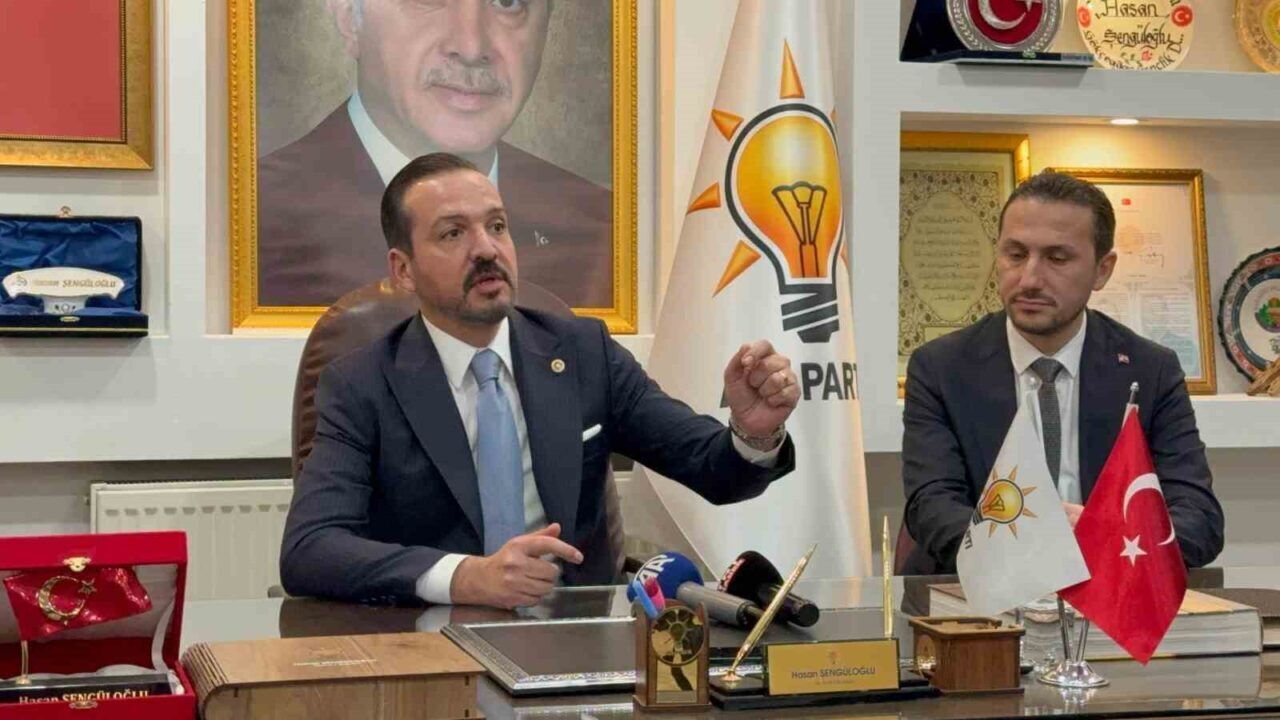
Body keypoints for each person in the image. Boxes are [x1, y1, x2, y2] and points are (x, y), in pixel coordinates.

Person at [280, 153, 799, 609]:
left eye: (497, 226)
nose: (486, 249)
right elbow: (310, 549)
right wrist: (464, 577)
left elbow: (712, 470)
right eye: (453, 233)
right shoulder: (362, 384)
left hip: (577, 640)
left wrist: (753, 434)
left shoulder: (583, 353)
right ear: (404, 270)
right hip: (434, 645)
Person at [900, 171, 1224, 575]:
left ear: (1102, 270)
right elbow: (932, 508)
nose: (1029, 279)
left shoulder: (1150, 370)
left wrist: (1104, 538)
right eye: (1015, 254)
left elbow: (1198, 517)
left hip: (1113, 585)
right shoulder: (941, 367)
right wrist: (1041, 547)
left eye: (1057, 258)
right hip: (982, 590)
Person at [257, 0, 612, 309]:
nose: (471, 47)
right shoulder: (254, 225)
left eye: (507, 2)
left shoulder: (604, 237)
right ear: (350, 17)